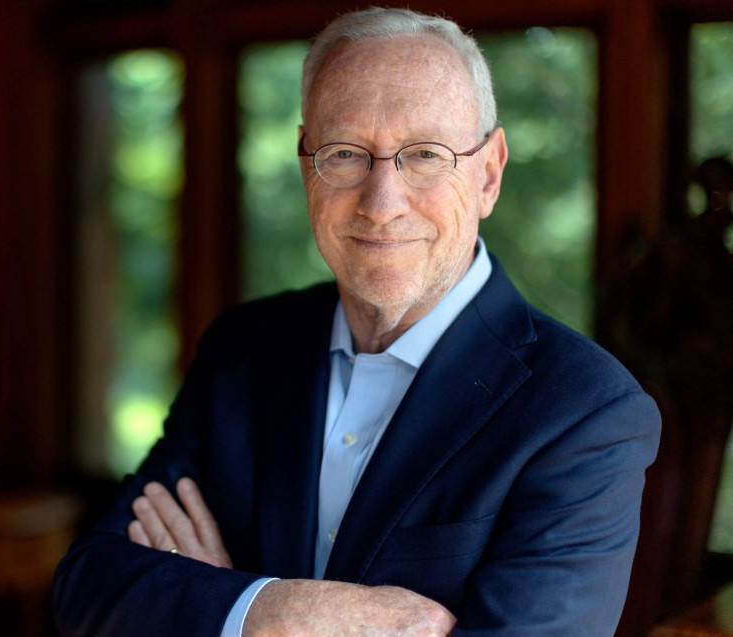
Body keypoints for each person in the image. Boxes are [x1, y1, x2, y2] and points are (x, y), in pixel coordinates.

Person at [52, 7, 661, 636]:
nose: (381, 203)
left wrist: (210, 604)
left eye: (425, 154)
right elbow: (88, 588)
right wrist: (276, 612)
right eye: (345, 153)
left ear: (488, 174)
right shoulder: (242, 350)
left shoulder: (585, 412)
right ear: (305, 166)